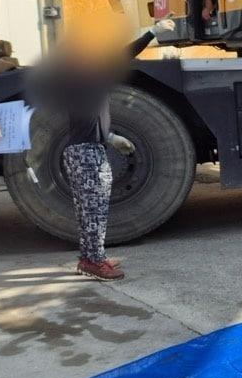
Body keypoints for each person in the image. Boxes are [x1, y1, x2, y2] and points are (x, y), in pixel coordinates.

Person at [31, 25, 159, 281]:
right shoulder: (84, 79)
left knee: (88, 210)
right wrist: (150, 34)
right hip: (86, 153)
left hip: (87, 149)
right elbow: (123, 56)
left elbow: (89, 120)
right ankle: (95, 261)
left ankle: (90, 257)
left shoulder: (79, 81)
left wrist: (110, 137)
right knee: (94, 211)